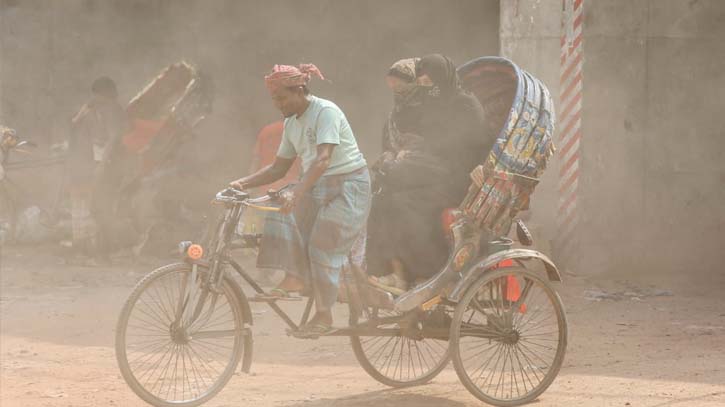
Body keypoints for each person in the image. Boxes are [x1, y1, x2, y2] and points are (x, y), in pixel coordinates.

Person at [229, 64, 370, 337]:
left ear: (300, 90)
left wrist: (296, 192)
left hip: (349, 185)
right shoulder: (291, 123)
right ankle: (294, 276)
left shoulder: (325, 111)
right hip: (317, 184)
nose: (277, 105)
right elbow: (277, 168)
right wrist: (240, 183)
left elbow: (323, 159)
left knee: (321, 244)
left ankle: (324, 316)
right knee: (277, 210)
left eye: (281, 98)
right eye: (274, 100)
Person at [368, 54, 491, 291]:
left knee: (406, 203)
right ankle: (393, 272)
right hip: (435, 172)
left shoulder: (465, 104)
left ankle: (428, 273)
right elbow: (426, 142)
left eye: (430, 84)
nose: (427, 90)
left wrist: (481, 166)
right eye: (422, 85)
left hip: (460, 178)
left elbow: (480, 142)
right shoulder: (430, 107)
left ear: (442, 79)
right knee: (384, 196)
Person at [69, 76, 129, 263]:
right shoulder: (100, 109)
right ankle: (108, 250)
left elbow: (112, 139)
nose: (95, 98)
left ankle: (111, 250)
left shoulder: (112, 110)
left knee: (101, 206)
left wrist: (102, 165)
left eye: (97, 94)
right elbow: (75, 124)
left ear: (106, 94)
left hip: (111, 165)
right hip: (106, 164)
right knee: (100, 207)